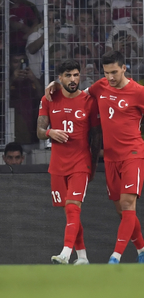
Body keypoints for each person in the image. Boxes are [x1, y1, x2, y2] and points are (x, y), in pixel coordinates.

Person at [46, 51, 144, 264]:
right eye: (107, 72)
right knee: (122, 211)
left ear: (124, 68)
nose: (110, 77)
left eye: (114, 72)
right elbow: (76, 92)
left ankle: (115, 257)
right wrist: (56, 84)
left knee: (128, 205)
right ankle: (143, 249)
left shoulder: (139, 92)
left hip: (133, 154)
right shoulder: (100, 86)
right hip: (110, 158)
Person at [37, 59, 101, 265]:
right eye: (68, 75)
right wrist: (50, 132)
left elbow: (96, 135)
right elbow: (39, 131)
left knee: (73, 207)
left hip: (81, 163)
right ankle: (82, 257)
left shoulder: (89, 101)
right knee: (69, 211)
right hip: (57, 164)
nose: (73, 79)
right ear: (60, 78)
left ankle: (65, 253)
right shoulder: (48, 99)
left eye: (76, 75)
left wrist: (94, 163)